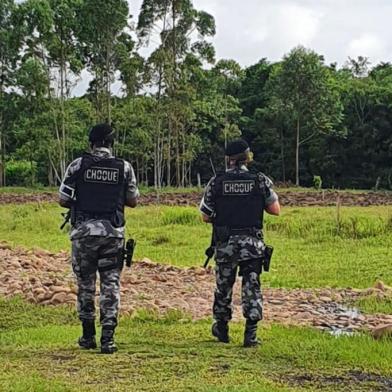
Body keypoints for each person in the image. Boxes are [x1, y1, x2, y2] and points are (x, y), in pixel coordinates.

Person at [59, 123, 139, 354]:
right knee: (110, 284)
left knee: (85, 283)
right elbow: (133, 200)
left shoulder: (78, 165)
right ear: (111, 143)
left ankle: (87, 335)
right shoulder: (124, 168)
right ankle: (108, 338)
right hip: (113, 234)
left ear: (90, 142)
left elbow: (63, 198)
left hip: (84, 234)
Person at [199, 139, 280, 347]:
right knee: (251, 284)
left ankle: (222, 328)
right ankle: (250, 334)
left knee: (223, 286)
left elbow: (205, 215)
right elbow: (275, 210)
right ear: (247, 158)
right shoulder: (260, 180)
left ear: (229, 159)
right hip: (252, 244)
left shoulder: (217, 182)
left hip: (225, 244)